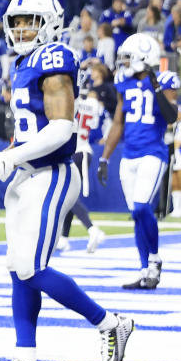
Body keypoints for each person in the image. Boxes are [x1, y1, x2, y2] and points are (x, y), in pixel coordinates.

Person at [0, 0, 134, 361]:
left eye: (31, 20)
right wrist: (6, 156)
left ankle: (110, 322)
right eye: (17, 22)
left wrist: (9, 157)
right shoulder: (22, 63)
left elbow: (62, 128)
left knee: (30, 268)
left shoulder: (53, 56)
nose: (23, 29)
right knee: (17, 268)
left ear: (51, 23)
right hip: (27, 174)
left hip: (53, 173)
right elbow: (32, 128)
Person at [98, 34, 180, 289]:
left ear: (143, 58)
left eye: (128, 57)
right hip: (129, 155)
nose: (123, 63)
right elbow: (118, 122)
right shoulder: (124, 83)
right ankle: (145, 271)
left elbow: (171, 117)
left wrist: (155, 87)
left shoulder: (163, 81)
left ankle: (154, 260)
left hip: (152, 153)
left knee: (142, 207)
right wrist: (104, 157)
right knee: (136, 214)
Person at [56, 79, 107, 254]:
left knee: (67, 195)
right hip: (85, 149)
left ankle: (92, 229)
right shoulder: (93, 104)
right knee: (70, 195)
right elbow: (95, 124)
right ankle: (64, 238)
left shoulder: (72, 101)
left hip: (76, 151)